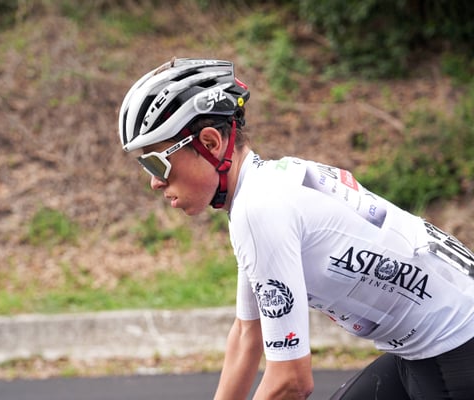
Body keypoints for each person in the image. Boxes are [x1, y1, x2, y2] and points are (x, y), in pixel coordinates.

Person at [117, 57, 474, 400]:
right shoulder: (264, 188)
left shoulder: (260, 208)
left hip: (455, 349)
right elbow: (247, 334)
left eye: (156, 164)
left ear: (211, 143)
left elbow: (291, 381)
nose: (155, 183)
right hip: (432, 347)